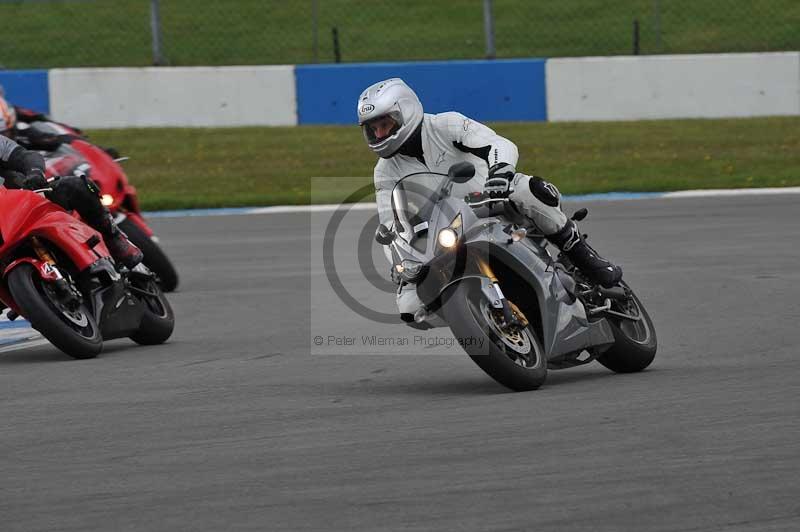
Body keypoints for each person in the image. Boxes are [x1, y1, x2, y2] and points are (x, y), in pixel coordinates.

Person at [358, 78, 622, 326]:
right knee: (409, 305)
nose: (379, 133)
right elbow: (391, 226)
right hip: (446, 230)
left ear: (405, 111)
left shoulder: (445, 125)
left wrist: (500, 173)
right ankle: (477, 316)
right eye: (373, 128)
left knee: (528, 190)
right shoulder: (384, 171)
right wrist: (401, 263)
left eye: (385, 124)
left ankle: (585, 257)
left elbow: (498, 143)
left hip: (492, 201)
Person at [0, 99, 143, 268]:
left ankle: (114, 238)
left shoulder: (10, 139)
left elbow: (25, 156)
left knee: (75, 186)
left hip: (25, 203)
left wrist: (35, 172)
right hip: (4, 227)